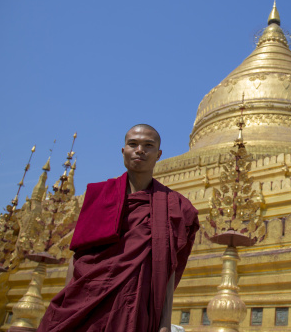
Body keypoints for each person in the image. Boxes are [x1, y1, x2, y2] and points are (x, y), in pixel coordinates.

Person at [37, 124, 199, 332]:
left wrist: (164, 323)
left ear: (158, 154)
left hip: (136, 307)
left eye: (148, 145)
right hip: (85, 305)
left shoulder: (174, 207)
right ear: (123, 151)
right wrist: (69, 305)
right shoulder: (99, 196)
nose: (140, 150)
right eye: (133, 144)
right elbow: (78, 258)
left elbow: (167, 270)